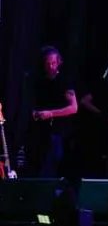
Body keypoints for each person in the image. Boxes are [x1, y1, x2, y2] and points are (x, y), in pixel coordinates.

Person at [25, 45, 78, 178]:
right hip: (40, 131)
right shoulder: (39, 82)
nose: (51, 67)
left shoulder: (64, 81)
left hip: (59, 132)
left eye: (53, 63)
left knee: (51, 167)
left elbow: (73, 108)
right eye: (48, 63)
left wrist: (51, 113)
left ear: (59, 62)